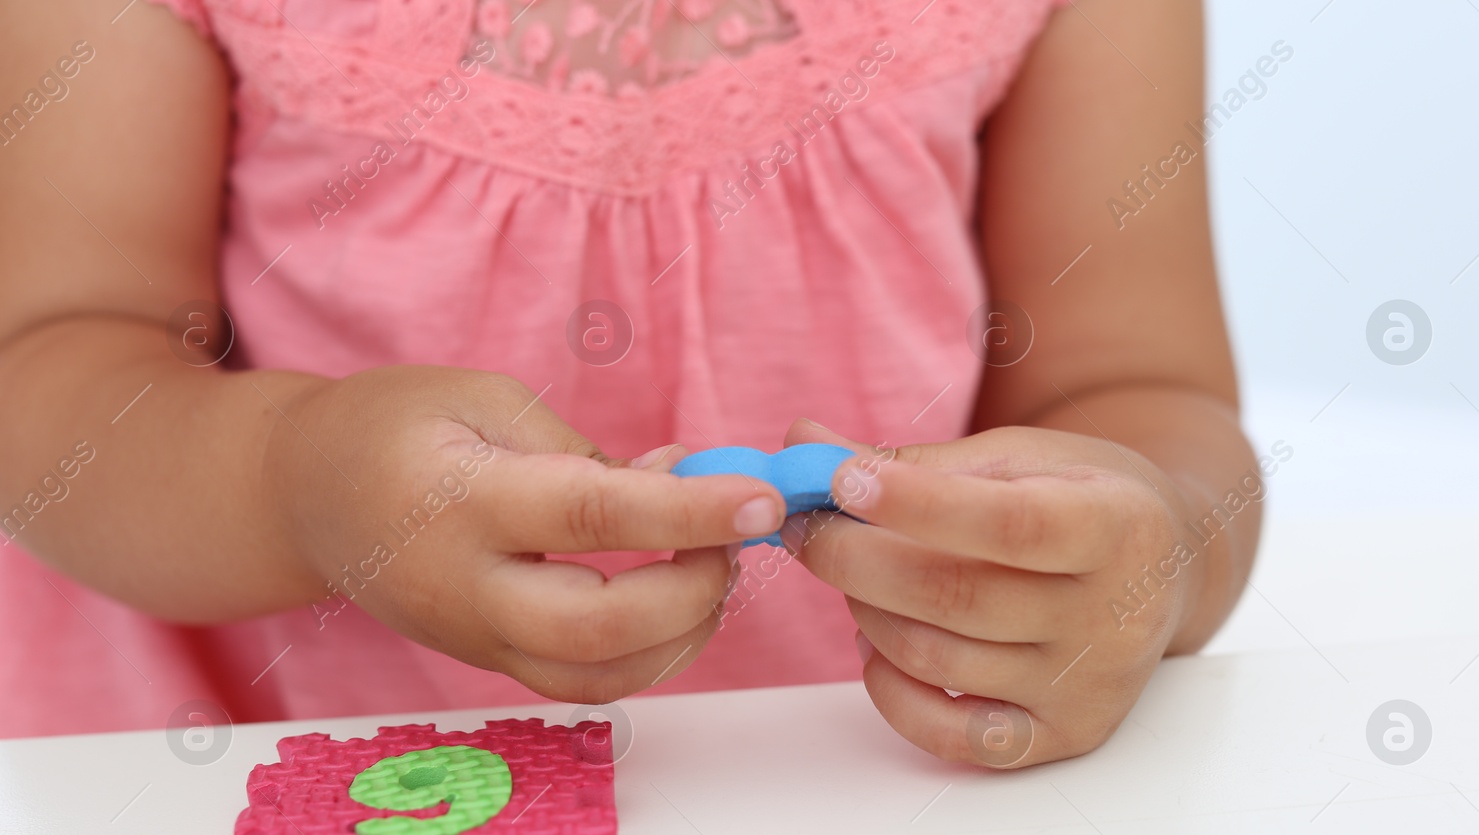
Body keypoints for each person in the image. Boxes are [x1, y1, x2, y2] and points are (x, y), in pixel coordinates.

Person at [0, 0, 1260, 765]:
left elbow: (1143, 390)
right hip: (291, 807)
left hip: (879, 805)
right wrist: (304, 485)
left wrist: (1151, 560)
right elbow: (56, 370)